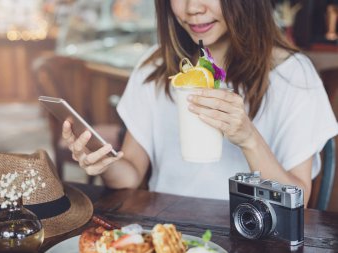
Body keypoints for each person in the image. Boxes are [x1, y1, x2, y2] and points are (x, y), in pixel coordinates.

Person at [62, 0, 338, 205]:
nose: (192, 8)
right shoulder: (155, 67)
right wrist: (103, 162)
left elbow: (296, 201)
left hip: (254, 239)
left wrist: (248, 138)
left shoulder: (292, 75)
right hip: (167, 233)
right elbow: (130, 176)